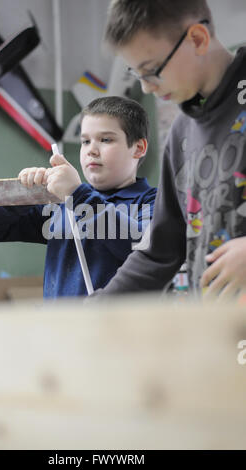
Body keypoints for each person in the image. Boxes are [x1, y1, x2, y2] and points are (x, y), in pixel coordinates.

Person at [93, 0, 246, 299]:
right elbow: (160, 250)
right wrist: (97, 309)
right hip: (213, 330)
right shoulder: (182, 132)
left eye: (152, 71)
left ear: (198, 39)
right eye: (138, 74)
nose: (148, 87)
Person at [0, 96, 157, 298]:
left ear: (138, 148)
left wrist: (77, 194)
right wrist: (25, 192)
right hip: (62, 326)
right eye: (85, 141)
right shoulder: (61, 203)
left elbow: (143, 247)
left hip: (121, 327)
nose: (91, 151)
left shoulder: (153, 202)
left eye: (106, 139)